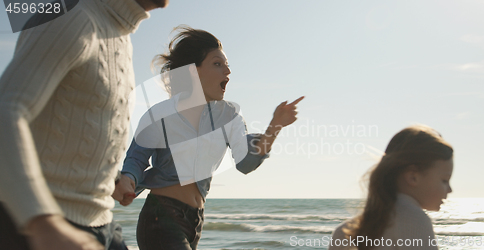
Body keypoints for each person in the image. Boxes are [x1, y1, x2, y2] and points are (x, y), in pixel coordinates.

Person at [112, 26, 304, 250]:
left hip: (195, 221)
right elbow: (136, 159)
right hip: (160, 217)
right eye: (217, 64)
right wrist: (127, 180)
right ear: (193, 71)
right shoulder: (160, 115)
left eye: (227, 66)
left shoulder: (229, 116)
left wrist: (276, 125)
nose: (227, 72)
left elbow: (246, 163)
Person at [0, 0, 170, 249]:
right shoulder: (70, 16)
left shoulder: (118, 29)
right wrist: (43, 223)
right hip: (41, 229)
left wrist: (112, 180)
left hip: (101, 224)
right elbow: (7, 111)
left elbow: (81, 120)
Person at [329, 125, 453, 250]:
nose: (450, 189)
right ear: (413, 177)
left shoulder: (344, 232)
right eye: (444, 180)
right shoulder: (414, 219)